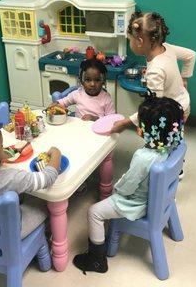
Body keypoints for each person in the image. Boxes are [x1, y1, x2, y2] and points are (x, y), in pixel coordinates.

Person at [73, 93, 184, 274]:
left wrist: (117, 186)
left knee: (94, 212)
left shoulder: (143, 157)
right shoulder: (175, 144)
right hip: (160, 197)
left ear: (144, 131)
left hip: (136, 203)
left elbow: (127, 187)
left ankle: (96, 260)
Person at [110, 11, 196, 131]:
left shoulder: (156, 70)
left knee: (162, 141)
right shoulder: (167, 48)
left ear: (140, 42)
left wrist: (125, 123)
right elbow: (191, 55)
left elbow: (154, 107)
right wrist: (184, 78)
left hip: (171, 112)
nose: (130, 44)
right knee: (174, 137)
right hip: (184, 102)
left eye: (130, 40)